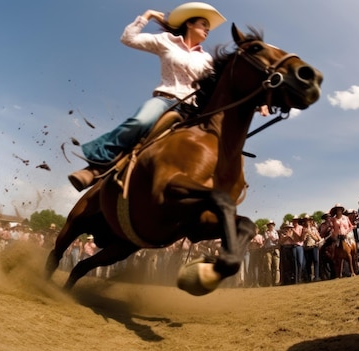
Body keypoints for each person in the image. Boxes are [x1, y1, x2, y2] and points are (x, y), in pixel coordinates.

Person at [67, 2, 228, 191]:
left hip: (194, 109)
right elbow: (128, 38)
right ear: (189, 24)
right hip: (166, 99)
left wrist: (259, 104)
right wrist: (147, 15)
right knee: (140, 122)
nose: (207, 30)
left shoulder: (207, 59)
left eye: (208, 27)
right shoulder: (166, 41)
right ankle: (96, 167)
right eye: (203, 24)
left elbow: (221, 86)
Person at [302, 215, 322, 282]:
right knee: (308, 263)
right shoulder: (303, 229)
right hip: (307, 248)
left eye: (308, 220)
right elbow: (302, 239)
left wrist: (310, 233)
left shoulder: (314, 229)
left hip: (314, 246)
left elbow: (317, 239)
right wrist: (305, 234)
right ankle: (309, 277)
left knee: (316, 261)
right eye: (306, 221)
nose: (307, 222)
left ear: (310, 221)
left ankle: (316, 276)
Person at [263, 220, 280, 286]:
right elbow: (266, 240)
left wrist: (271, 237)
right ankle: (269, 282)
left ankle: (277, 282)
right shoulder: (266, 233)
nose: (271, 226)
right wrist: (268, 235)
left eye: (272, 224)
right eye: (269, 225)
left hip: (275, 249)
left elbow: (277, 241)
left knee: (277, 267)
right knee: (268, 267)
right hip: (268, 250)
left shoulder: (275, 232)